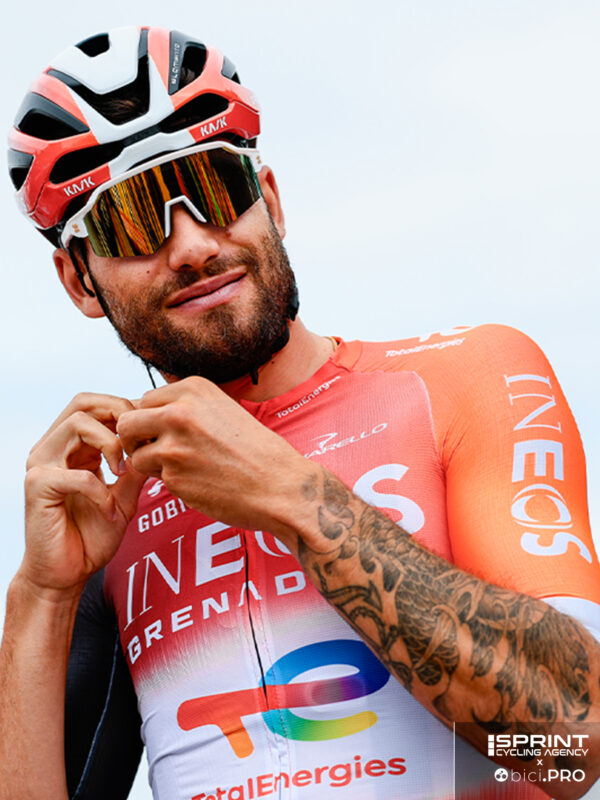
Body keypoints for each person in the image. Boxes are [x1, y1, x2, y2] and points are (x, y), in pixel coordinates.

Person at [1, 24, 599, 800]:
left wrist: (298, 498)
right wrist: (41, 595)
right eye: (132, 221)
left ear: (271, 202)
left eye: (216, 188)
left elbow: (573, 744)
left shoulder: (462, 376)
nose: (192, 246)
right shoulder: (111, 503)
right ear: (79, 281)